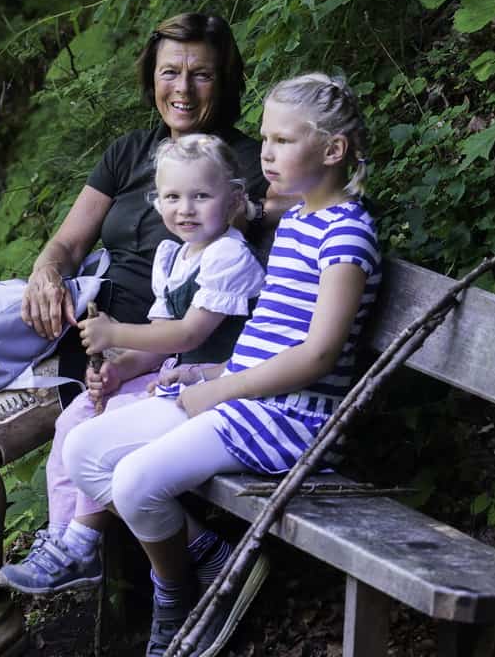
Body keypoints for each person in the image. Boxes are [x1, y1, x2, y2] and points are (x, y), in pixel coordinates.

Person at [0, 13, 282, 657]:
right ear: (151, 78)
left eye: (202, 73)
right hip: (71, 337)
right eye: (171, 71)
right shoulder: (128, 152)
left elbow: (290, 215)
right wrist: (46, 273)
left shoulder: (240, 165)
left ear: (227, 80)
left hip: (134, 359)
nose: (185, 89)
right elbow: (67, 241)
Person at [63, 72, 381, 657]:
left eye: (283, 140)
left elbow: (318, 355)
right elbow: (273, 337)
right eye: (265, 138)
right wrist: (209, 375)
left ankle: (177, 594)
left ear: (332, 151)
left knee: (134, 481)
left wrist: (222, 387)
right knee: (83, 451)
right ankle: (211, 558)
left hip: (292, 418)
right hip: (244, 396)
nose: (265, 152)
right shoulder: (300, 222)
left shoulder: (346, 235)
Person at [0, 133, 266, 597]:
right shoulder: (175, 256)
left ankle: (85, 541)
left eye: (201, 196)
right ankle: (65, 541)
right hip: (179, 382)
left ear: (234, 199)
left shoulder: (228, 255)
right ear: (156, 202)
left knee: (105, 436)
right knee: (76, 418)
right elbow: (161, 341)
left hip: (221, 387)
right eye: (173, 197)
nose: (186, 208)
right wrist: (120, 368)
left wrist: (115, 334)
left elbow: (188, 335)